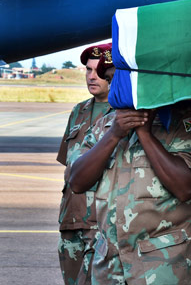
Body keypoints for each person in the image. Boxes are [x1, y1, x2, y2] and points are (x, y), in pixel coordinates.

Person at [68, 90, 191, 282]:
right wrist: (114, 134)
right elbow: (77, 182)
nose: (115, 86)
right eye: (112, 80)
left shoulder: (180, 120)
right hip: (110, 265)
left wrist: (145, 134)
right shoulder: (104, 125)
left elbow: (185, 188)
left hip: (162, 266)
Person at [56, 43, 113, 285]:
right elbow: (68, 165)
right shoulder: (78, 111)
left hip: (102, 225)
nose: (91, 76)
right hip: (72, 220)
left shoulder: (124, 113)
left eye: (98, 71)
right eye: (87, 70)